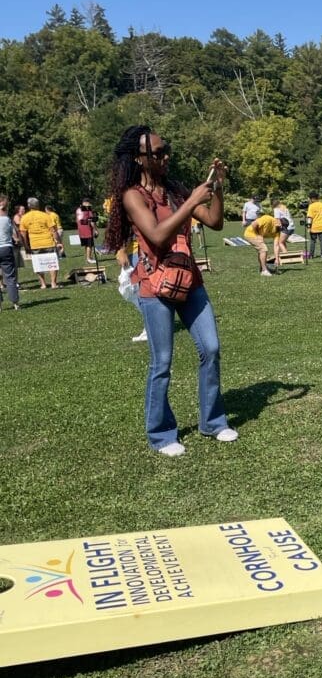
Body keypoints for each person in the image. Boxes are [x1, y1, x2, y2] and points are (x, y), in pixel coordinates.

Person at [104, 125, 237, 456]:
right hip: (154, 285)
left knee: (211, 348)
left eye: (167, 150)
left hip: (189, 281)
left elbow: (215, 222)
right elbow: (158, 235)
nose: (166, 156)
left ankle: (214, 422)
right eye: (158, 152)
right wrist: (191, 200)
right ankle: (162, 434)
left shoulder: (175, 192)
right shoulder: (132, 195)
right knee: (162, 361)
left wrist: (216, 188)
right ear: (139, 158)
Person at [19, 197, 61, 289]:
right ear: (38, 205)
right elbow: (53, 230)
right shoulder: (46, 215)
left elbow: (23, 234)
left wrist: (26, 246)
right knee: (52, 263)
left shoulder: (24, 218)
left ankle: (43, 284)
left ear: (29, 206)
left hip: (35, 245)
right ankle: (53, 283)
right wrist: (58, 241)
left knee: (38, 264)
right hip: (48, 242)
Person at [0, 195, 21, 310]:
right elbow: (13, 234)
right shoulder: (7, 219)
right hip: (6, 248)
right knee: (10, 276)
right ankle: (15, 303)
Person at [272, 198, 295, 265]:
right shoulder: (285, 207)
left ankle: (287, 257)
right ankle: (285, 254)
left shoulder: (276, 209)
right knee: (283, 242)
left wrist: (276, 227)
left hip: (286, 227)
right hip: (292, 226)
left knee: (280, 243)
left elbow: (277, 220)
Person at [306, 192, 322, 257]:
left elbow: (309, 217)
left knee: (313, 241)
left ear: (312, 199)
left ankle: (311, 255)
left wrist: (308, 227)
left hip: (314, 227)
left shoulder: (311, 206)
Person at [76, 198, 98, 264]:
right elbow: (92, 221)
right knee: (89, 245)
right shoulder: (88, 209)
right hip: (87, 230)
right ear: (86, 203)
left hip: (80, 230)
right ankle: (89, 259)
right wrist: (96, 230)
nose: (90, 204)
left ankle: (88, 258)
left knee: (86, 245)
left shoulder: (78, 209)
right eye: (89, 203)